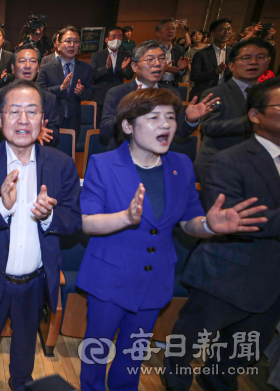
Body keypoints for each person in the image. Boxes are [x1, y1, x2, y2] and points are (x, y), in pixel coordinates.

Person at [76, 87, 267, 391]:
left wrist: (210, 226)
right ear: (128, 126)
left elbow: (188, 222)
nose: (165, 125)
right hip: (109, 277)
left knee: (133, 354)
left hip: (155, 278)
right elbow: (87, 223)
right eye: (153, 117)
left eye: (170, 117)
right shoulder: (103, 164)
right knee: (96, 353)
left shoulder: (181, 165)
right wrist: (125, 218)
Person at [0, 80, 81, 391]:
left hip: (35, 284)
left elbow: (73, 221)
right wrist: (1, 207)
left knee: (25, 361)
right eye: (14, 112)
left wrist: (49, 215)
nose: (23, 120)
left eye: (31, 112)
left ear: (43, 121)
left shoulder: (62, 165)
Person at [161, 78, 280, 391]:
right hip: (227, 273)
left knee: (239, 353)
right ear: (255, 115)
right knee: (184, 349)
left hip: (274, 283)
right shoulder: (229, 160)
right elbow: (240, 219)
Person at [100, 40, 217, 150]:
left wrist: (190, 120)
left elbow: (180, 131)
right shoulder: (117, 92)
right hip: (125, 154)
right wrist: (130, 112)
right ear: (134, 66)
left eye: (161, 59)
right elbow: (105, 130)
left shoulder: (171, 93)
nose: (157, 64)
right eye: (150, 59)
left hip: (161, 155)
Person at [194, 38, 272, 182]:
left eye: (260, 57)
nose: (253, 62)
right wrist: (253, 121)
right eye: (246, 58)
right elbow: (209, 127)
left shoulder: (270, 95)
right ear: (231, 65)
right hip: (218, 166)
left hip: (258, 167)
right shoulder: (215, 93)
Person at [0, 44, 61, 147]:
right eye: (22, 61)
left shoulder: (49, 99)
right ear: (13, 67)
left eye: (32, 61)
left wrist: (40, 134)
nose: (27, 66)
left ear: (38, 68)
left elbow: (54, 135)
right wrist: (19, 131)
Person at [38, 26, 93, 141]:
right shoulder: (46, 68)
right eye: (68, 41)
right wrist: (60, 88)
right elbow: (39, 93)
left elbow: (90, 92)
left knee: (69, 155)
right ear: (58, 45)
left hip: (74, 120)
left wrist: (81, 92)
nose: (72, 45)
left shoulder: (86, 68)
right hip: (51, 121)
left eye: (76, 41)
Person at [90, 26, 134, 125]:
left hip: (119, 97)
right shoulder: (97, 55)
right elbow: (92, 75)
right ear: (106, 40)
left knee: (117, 125)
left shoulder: (126, 55)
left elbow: (129, 76)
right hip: (101, 97)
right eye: (113, 37)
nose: (116, 40)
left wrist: (124, 69)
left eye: (119, 37)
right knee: (99, 125)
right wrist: (106, 68)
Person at [189, 18, 233, 100]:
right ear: (212, 33)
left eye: (229, 29)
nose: (227, 33)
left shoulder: (233, 53)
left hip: (226, 95)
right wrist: (215, 72)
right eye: (222, 30)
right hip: (205, 94)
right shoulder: (201, 54)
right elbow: (194, 76)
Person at [155, 18, 190, 87]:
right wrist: (163, 69)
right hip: (155, 85)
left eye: (173, 29)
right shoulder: (150, 49)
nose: (171, 31)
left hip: (173, 86)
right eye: (167, 29)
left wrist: (181, 69)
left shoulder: (178, 49)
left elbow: (180, 74)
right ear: (158, 33)